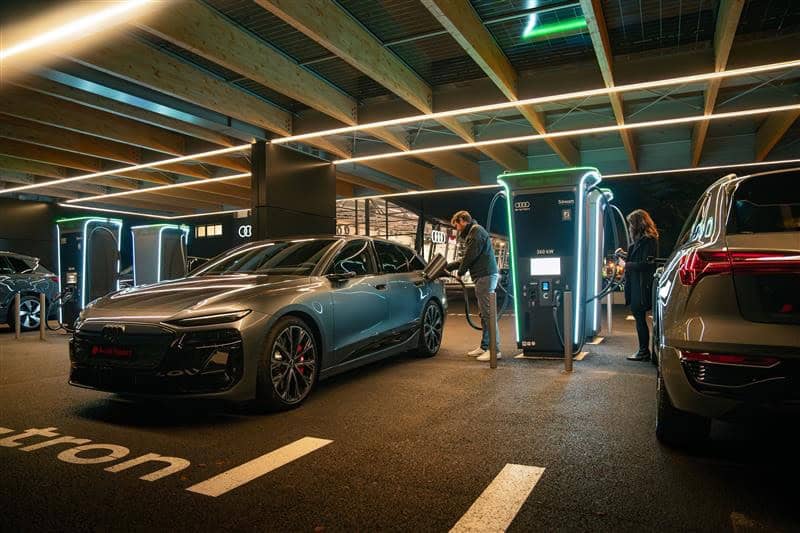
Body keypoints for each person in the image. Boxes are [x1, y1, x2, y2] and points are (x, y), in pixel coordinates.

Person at [447, 210, 500, 361]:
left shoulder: (475, 233)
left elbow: (470, 255)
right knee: (484, 315)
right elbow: (467, 257)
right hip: (483, 276)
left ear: (463, 220)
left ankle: (494, 350)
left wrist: (460, 272)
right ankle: (485, 346)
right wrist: (449, 267)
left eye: (456, 225)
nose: (456, 229)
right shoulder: (474, 232)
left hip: (485, 276)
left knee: (488, 314)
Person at [617, 209, 659, 362]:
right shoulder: (644, 240)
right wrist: (624, 255)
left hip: (641, 286)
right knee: (639, 317)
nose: (629, 227)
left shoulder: (648, 240)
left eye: (631, 224)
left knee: (640, 318)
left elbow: (645, 264)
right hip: (637, 284)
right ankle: (644, 351)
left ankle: (643, 352)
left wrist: (625, 264)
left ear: (637, 224)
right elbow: (638, 258)